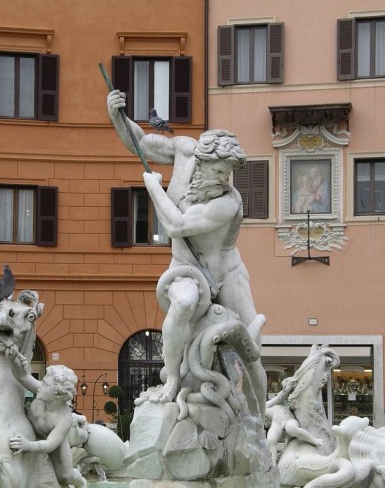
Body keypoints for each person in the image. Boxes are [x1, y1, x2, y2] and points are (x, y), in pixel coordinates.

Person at [106, 90, 266, 409]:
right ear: (202, 161)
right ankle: (174, 380)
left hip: (226, 274)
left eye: (228, 173)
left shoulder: (228, 202)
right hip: (186, 267)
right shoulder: (183, 151)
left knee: (252, 353)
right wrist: (117, 116)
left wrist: (153, 188)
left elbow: (176, 226)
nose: (224, 179)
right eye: (219, 171)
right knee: (182, 305)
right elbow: (139, 142)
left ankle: (260, 416)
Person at [7, 346, 86, 488]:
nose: (40, 385)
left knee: (65, 476)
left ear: (57, 393)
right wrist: (16, 362)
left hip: (55, 443)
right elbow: (22, 377)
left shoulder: (63, 418)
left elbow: (50, 445)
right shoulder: (42, 392)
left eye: (45, 384)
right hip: (33, 435)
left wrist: (28, 445)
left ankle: (81, 481)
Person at [264, 377, 323, 463]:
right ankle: (273, 465)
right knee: (270, 440)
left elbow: (279, 398)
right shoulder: (266, 412)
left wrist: (287, 389)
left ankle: (313, 440)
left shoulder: (267, 406)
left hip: (289, 419)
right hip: (277, 423)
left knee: (290, 428)